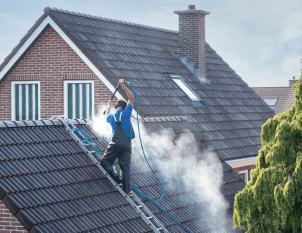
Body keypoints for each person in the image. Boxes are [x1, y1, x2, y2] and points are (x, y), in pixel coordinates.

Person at [101, 79, 135, 195]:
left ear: (116, 106)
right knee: (125, 167)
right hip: (126, 144)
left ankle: (116, 179)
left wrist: (108, 106)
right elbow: (131, 98)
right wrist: (123, 86)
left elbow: (105, 116)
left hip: (115, 143)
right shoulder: (127, 113)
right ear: (125, 107)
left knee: (105, 162)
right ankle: (127, 190)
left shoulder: (111, 117)